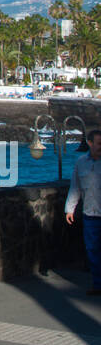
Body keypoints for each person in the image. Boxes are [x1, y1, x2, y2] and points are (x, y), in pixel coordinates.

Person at [65, 127, 101, 296]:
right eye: (99, 143)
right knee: (92, 250)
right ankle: (97, 284)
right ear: (90, 143)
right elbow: (75, 187)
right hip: (90, 215)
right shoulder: (81, 163)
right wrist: (69, 209)